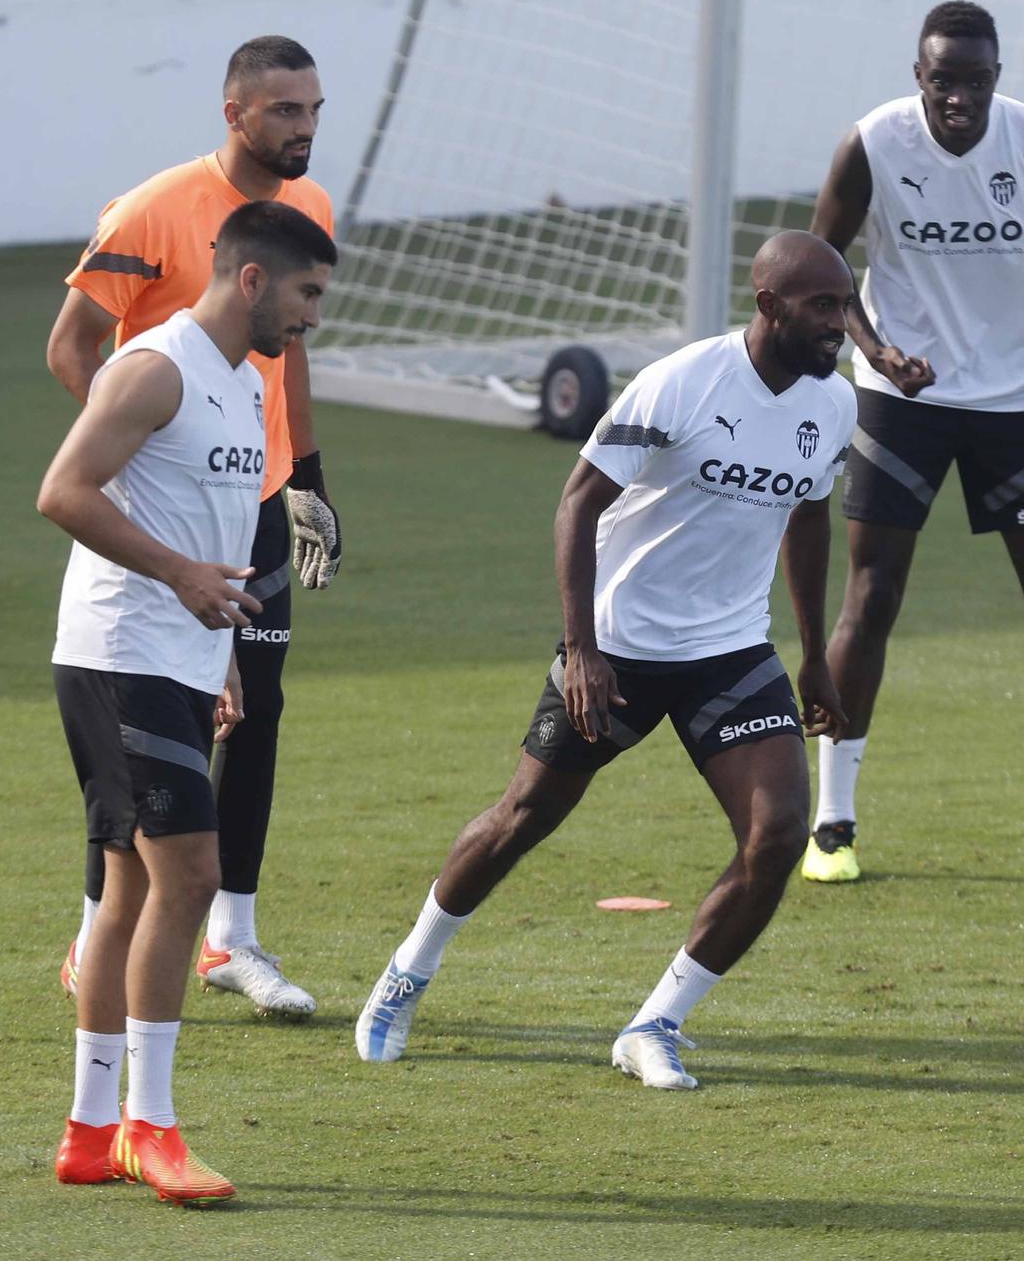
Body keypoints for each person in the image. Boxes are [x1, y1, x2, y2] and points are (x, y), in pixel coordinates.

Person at [353, 231, 857, 1090]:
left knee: (776, 838)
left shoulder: (833, 403)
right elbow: (579, 500)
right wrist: (581, 648)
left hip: (731, 649)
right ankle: (406, 973)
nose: (839, 327)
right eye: (821, 308)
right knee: (523, 816)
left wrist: (812, 654)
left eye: (843, 307)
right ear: (769, 306)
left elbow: (809, 516)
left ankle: (654, 1024)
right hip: (619, 646)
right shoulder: (682, 381)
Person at [801, 0, 1024, 884]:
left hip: (1020, 401)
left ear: (999, 75)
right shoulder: (872, 145)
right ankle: (831, 823)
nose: (960, 96)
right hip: (899, 401)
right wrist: (877, 353)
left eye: (976, 79)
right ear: (918, 76)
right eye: (943, 79)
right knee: (871, 597)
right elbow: (819, 269)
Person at [43, 200, 337, 1205]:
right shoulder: (153, 367)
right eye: (306, 294)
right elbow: (63, 490)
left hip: (175, 660)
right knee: (190, 878)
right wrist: (177, 578)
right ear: (251, 278)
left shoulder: (244, 385)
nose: (311, 318)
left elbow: (212, 523)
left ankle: (90, 1131)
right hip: (117, 656)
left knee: (130, 892)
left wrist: (222, 656)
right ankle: (150, 1125)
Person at [46, 35, 341, 1017]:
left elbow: (287, 354)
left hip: (252, 507)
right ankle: (96, 929)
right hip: (162, 512)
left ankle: (234, 940)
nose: (303, 129)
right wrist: (138, 464)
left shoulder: (309, 212)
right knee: (142, 715)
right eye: (285, 111)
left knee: (256, 703)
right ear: (235, 114)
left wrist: (303, 476)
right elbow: (72, 346)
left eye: (313, 110)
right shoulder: (152, 209)